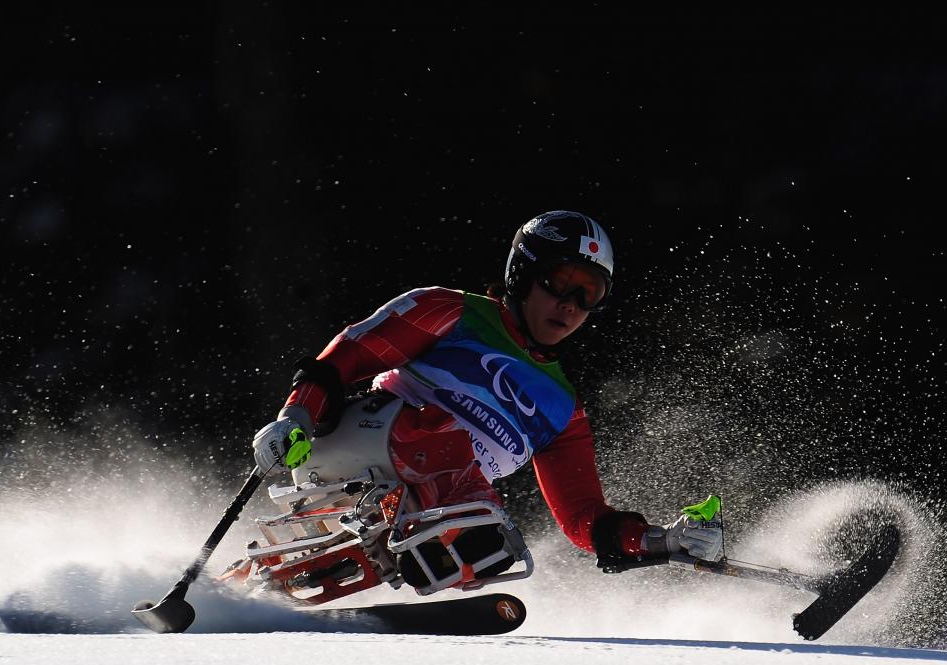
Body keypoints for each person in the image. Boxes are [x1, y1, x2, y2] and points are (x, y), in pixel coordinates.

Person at [251, 210, 723, 587]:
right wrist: (295, 416)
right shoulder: (452, 311)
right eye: (561, 282)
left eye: (589, 294)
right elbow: (348, 357)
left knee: (493, 541)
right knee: (451, 457)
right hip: (360, 450)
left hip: (437, 507)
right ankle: (438, 537)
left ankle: (344, 570)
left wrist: (660, 541)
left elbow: (583, 518)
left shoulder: (563, 408)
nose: (570, 305)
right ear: (523, 272)